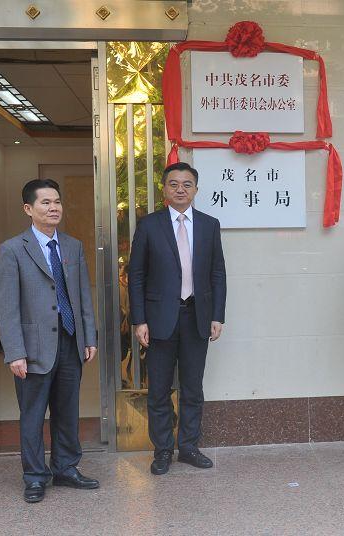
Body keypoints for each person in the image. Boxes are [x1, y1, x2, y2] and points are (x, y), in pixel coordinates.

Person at [0, 179, 99, 503]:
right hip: (33, 347)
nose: (54, 208)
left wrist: (88, 335)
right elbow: (6, 305)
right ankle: (35, 476)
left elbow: (81, 295)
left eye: (57, 202)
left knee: (68, 411)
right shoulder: (13, 249)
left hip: (69, 341)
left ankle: (66, 468)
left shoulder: (72, 246)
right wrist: (15, 352)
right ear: (29, 209)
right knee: (33, 414)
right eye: (45, 203)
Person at [128, 162, 226, 475]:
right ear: (164, 189)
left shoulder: (210, 225)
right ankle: (162, 450)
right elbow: (137, 275)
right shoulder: (149, 225)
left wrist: (217, 315)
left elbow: (217, 273)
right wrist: (139, 319)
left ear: (196, 189)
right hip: (159, 319)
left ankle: (188, 447)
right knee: (158, 389)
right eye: (174, 184)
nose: (180, 189)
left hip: (197, 315)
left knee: (192, 387)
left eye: (187, 184)